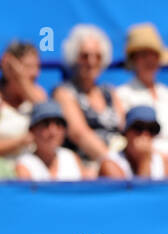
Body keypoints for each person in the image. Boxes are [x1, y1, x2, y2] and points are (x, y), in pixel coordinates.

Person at [53, 24, 124, 168]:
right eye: (85, 56)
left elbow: (124, 128)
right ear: (74, 58)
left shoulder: (109, 92)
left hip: (119, 163)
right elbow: (79, 134)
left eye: (97, 56)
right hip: (87, 166)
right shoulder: (64, 93)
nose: (91, 62)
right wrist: (114, 164)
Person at [114, 23, 168, 157]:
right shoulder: (122, 95)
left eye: (153, 55)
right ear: (134, 60)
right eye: (143, 55)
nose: (149, 60)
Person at [0, 40, 47, 158]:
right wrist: (19, 142)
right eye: (28, 67)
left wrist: (22, 81)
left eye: (37, 67)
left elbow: (45, 112)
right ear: (9, 69)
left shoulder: (38, 97)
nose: (36, 73)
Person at [15, 100, 85, 180]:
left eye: (58, 124)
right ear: (32, 130)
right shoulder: (24, 164)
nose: (53, 131)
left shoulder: (71, 157)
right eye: (45, 124)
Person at [104, 105, 166, 179]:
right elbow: (142, 190)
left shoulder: (160, 162)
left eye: (152, 129)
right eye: (139, 128)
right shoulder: (111, 164)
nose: (145, 135)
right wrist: (144, 161)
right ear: (126, 133)